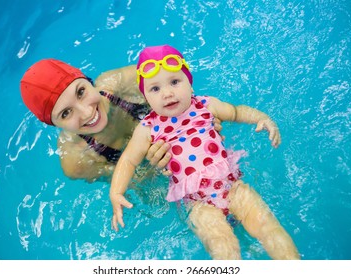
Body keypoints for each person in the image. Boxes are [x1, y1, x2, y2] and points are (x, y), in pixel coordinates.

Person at [110, 45, 300, 260]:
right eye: (155, 89)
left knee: (268, 228)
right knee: (223, 246)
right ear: (145, 96)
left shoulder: (206, 105)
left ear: (189, 82)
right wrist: (115, 192)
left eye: (174, 82)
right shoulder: (147, 128)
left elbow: (237, 112)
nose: (167, 93)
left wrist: (262, 119)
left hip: (232, 186)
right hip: (197, 203)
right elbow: (128, 160)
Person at [20, 58, 181, 182]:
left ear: (87, 81)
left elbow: (180, 88)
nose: (87, 112)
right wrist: (154, 168)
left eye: (81, 92)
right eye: (66, 113)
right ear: (54, 124)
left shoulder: (122, 83)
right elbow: (138, 183)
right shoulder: (77, 160)